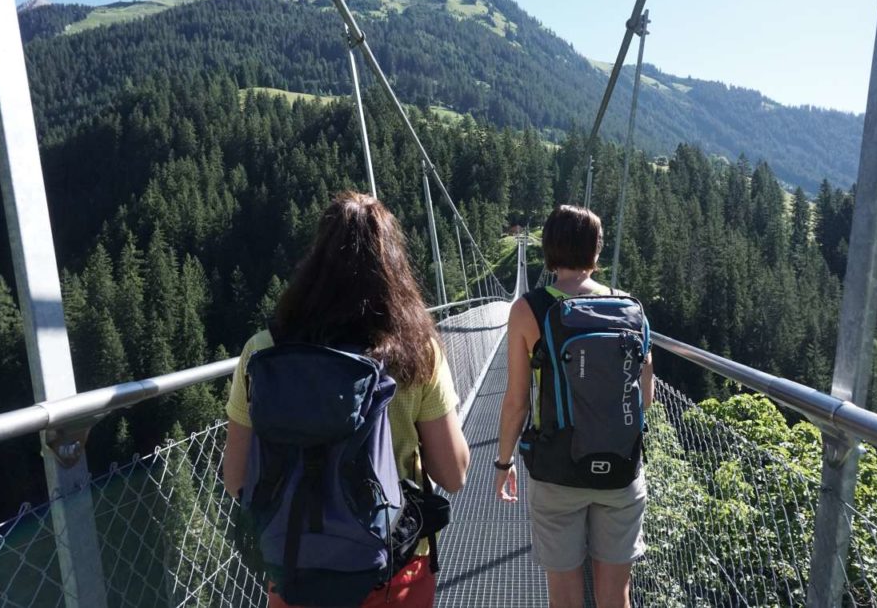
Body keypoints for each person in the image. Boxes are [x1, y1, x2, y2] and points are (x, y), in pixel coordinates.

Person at [222, 191, 470, 608]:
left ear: (315, 262)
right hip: (394, 570)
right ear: (394, 265)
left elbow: (236, 479)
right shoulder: (419, 352)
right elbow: (453, 474)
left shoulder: (263, 352)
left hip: (295, 567)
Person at [495, 205, 654, 608]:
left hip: (557, 470)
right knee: (616, 594)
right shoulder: (630, 311)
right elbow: (645, 398)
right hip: (620, 469)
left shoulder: (527, 310)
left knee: (564, 597)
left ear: (548, 250)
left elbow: (516, 400)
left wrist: (503, 462)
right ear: (596, 252)